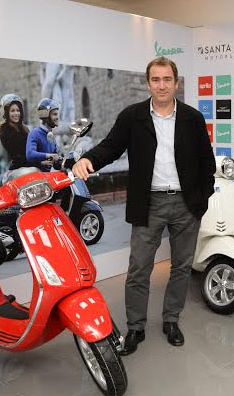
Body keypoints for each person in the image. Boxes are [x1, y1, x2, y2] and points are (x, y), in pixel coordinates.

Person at [72, 57, 215, 355]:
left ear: (176, 82)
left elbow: (206, 161)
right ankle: (136, 327)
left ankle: (171, 320)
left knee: (182, 266)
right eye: (156, 80)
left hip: (186, 204)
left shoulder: (192, 118)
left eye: (167, 79)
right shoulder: (133, 116)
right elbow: (111, 147)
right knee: (139, 268)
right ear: (148, 83)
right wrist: (88, 159)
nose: (162, 85)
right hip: (149, 203)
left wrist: (201, 199)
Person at [0, 93, 30, 173]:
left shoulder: (25, 129)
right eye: (12, 111)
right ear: (6, 112)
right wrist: (37, 160)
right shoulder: (4, 132)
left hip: (32, 167)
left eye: (18, 110)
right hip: (18, 170)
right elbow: (16, 156)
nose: (16, 113)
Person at [26, 98, 60, 171]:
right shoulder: (35, 133)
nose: (57, 117)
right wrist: (49, 156)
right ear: (45, 115)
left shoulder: (51, 137)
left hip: (48, 176)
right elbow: (30, 154)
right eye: (54, 114)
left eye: (57, 114)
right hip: (35, 176)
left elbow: (55, 160)